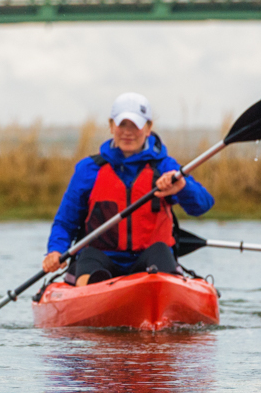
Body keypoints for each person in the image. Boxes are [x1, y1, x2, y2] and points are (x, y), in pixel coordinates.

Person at [42, 92, 214, 286]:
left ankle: (161, 297)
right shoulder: (89, 170)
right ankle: (90, 295)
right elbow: (66, 222)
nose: (127, 132)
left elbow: (203, 205)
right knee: (88, 256)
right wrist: (55, 250)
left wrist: (183, 187)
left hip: (150, 261)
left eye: (135, 125)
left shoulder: (165, 168)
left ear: (148, 128)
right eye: (122, 124)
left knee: (161, 251)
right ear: (111, 126)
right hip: (100, 259)